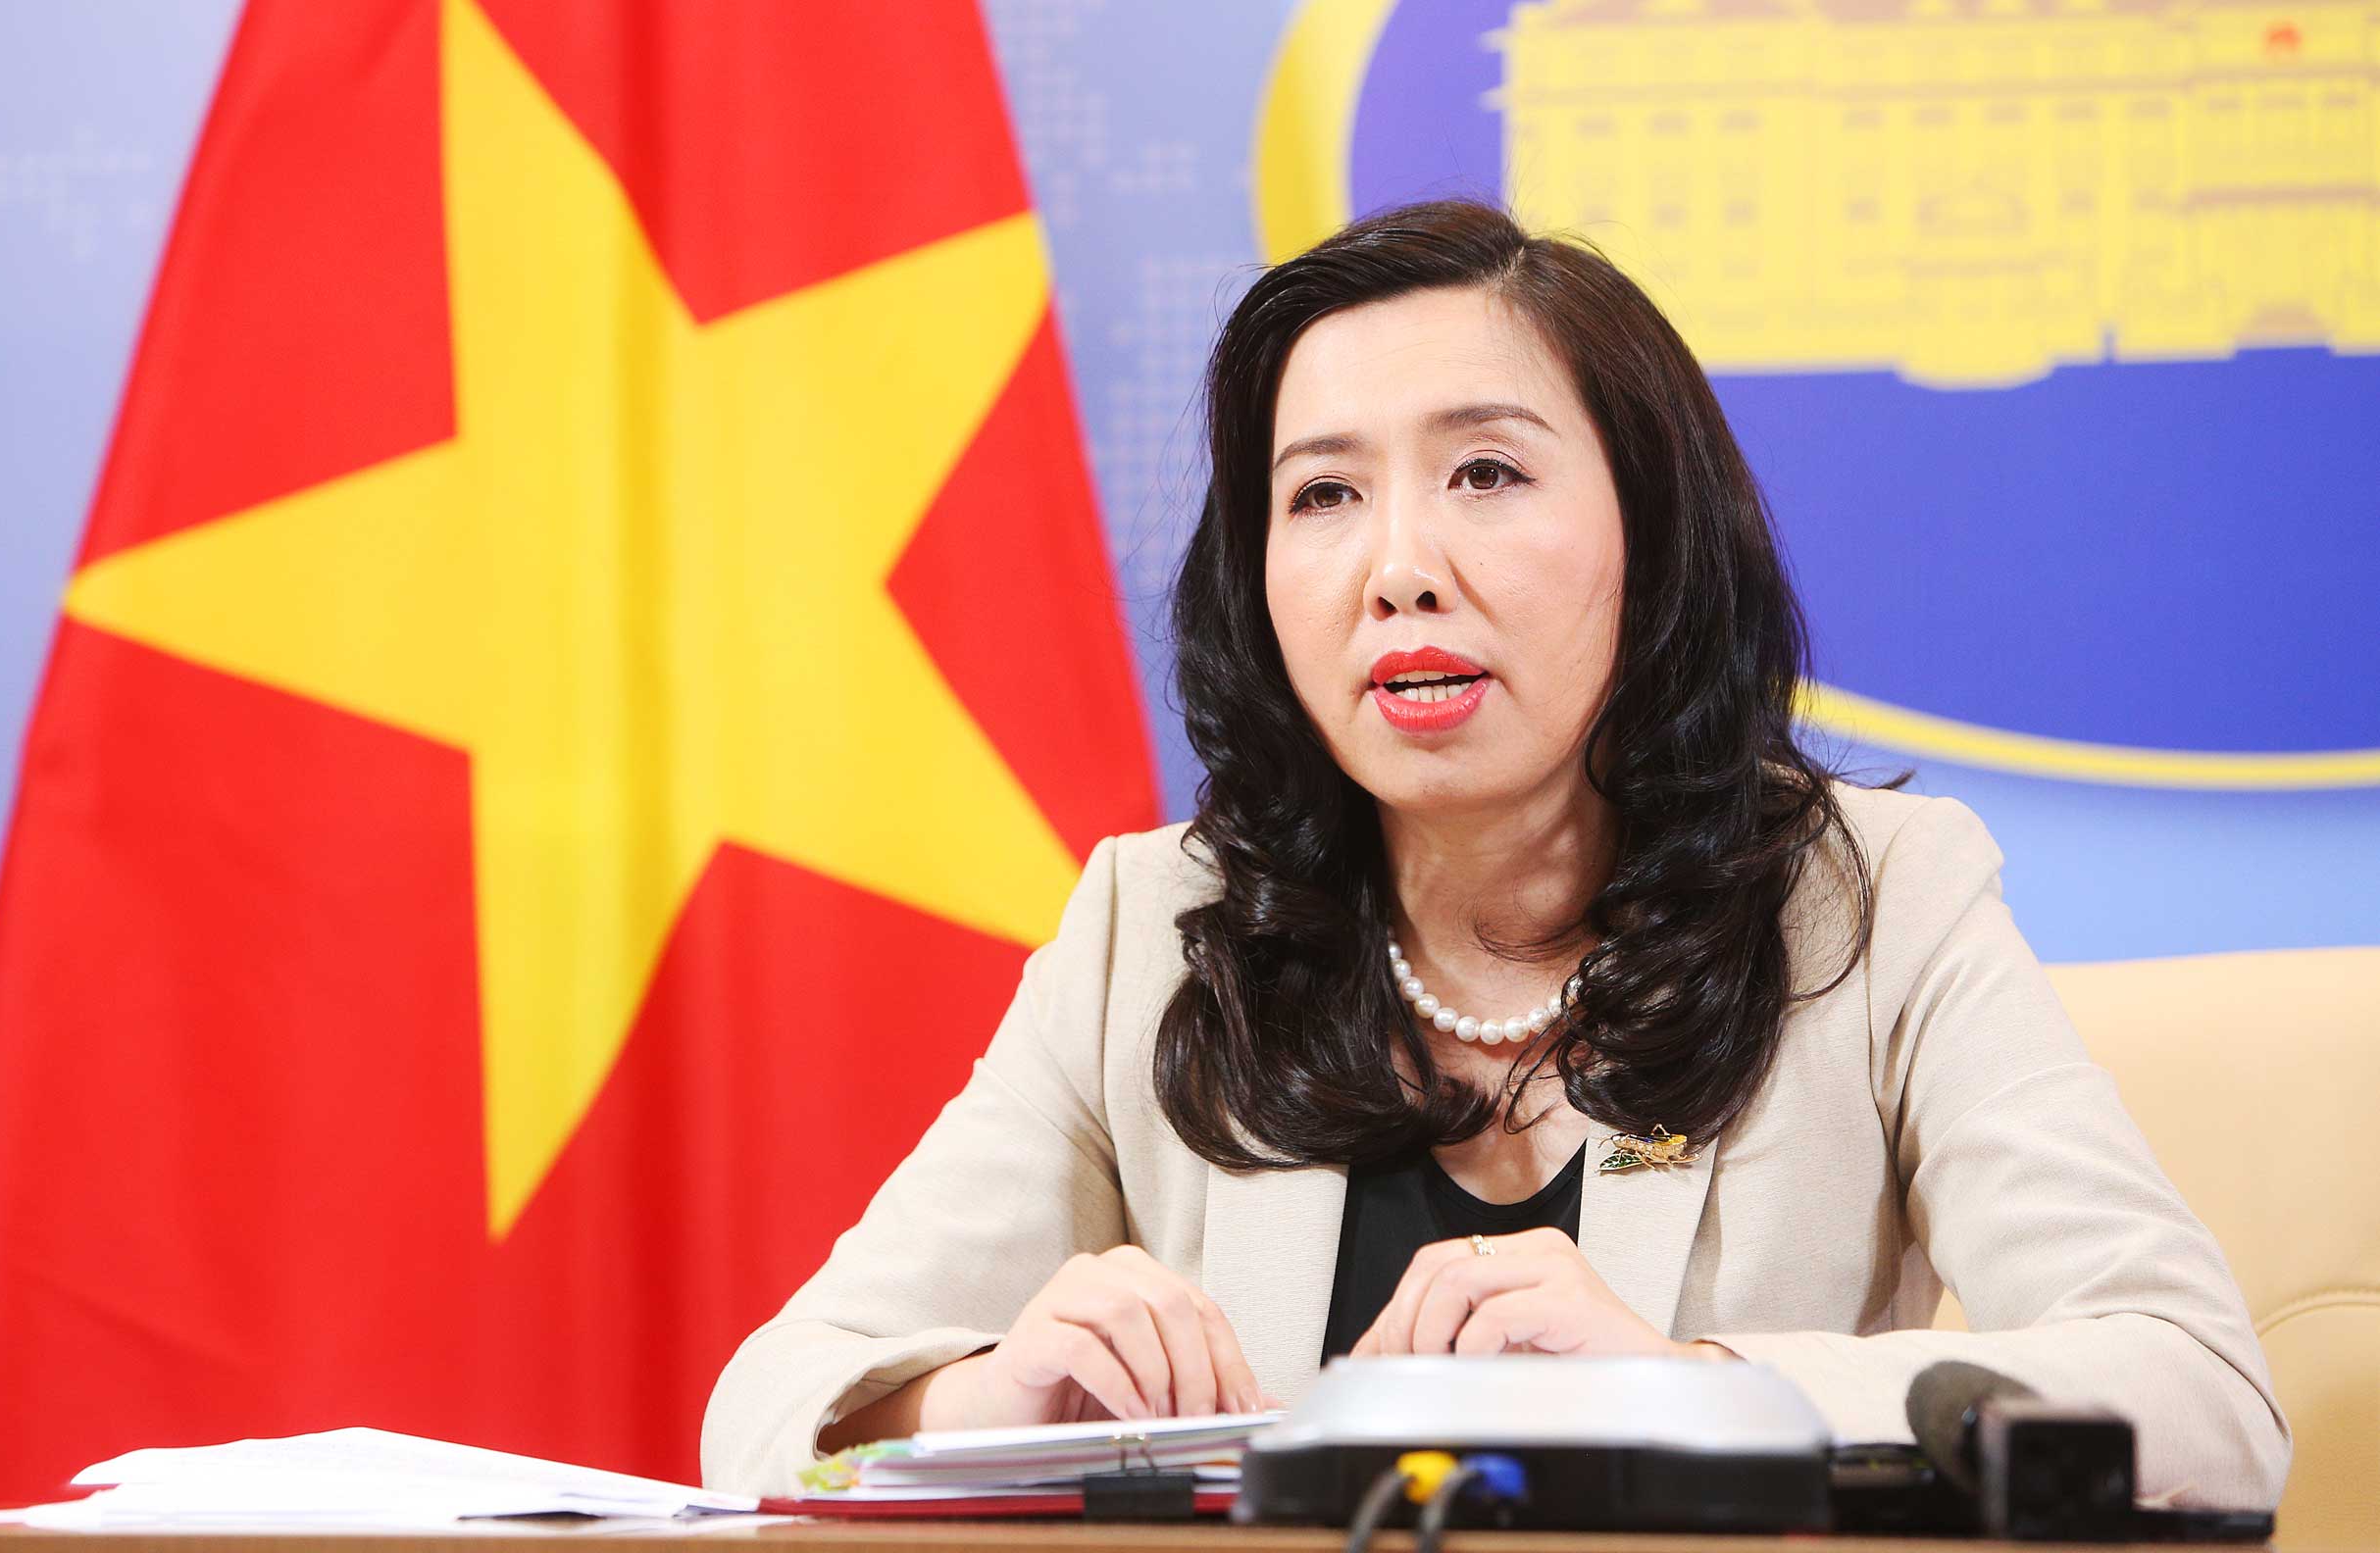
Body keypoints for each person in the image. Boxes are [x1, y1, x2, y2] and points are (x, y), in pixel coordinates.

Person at [699, 198, 2288, 1507]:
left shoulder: (1873, 906)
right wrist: (989, 1398)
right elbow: (764, 1411)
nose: (1398, 569)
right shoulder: (1158, 926)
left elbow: (2200, 1395)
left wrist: (1686, 1393)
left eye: (1487, 473)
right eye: (1324, 494)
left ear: (1652, 535)